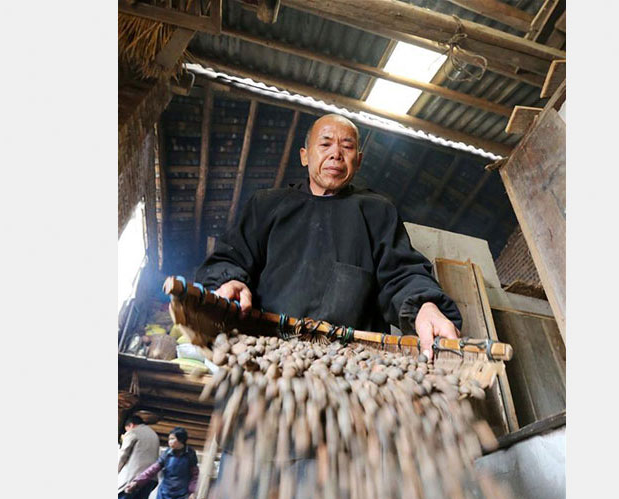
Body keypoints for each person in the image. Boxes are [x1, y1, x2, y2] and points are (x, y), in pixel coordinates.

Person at [194, 113, 461, 361]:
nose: (336, 154)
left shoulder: (377, 211)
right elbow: (231, 257)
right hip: (268, 353)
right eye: (325, 144)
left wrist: (425, 306)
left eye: (347, 147)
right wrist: (230, 280)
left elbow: (401, 272)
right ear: (305, 156)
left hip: (353, 362)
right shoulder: (266, 205)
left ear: (359, 160)